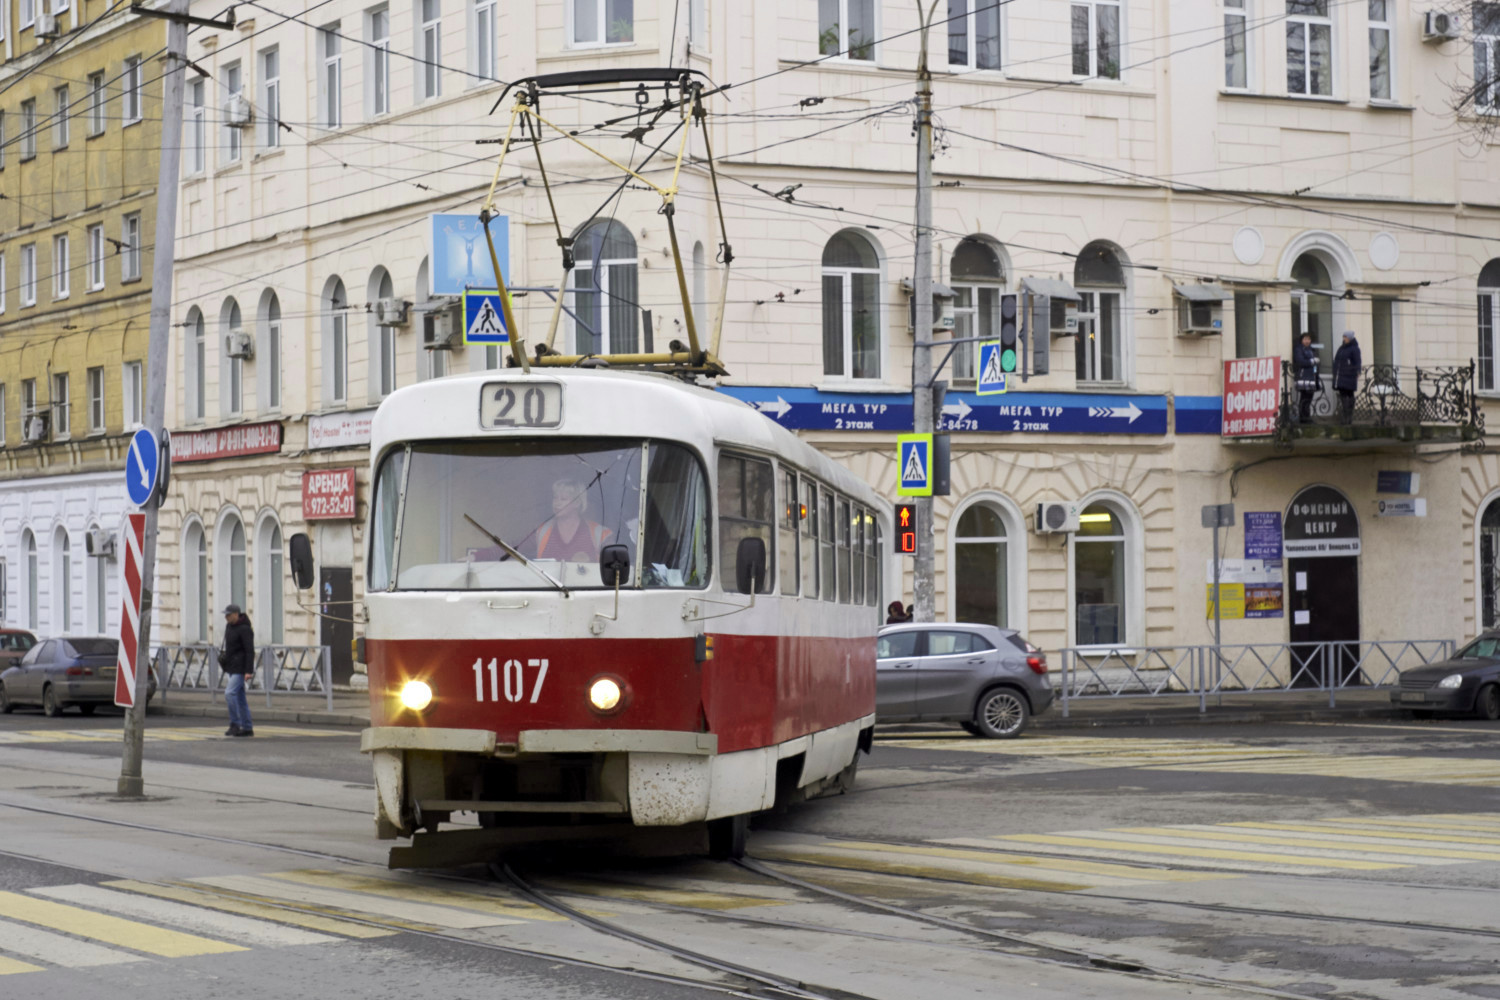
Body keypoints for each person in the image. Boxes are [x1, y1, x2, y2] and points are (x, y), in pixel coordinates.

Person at [535, 476, 612, 562]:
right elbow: (521, 554)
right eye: (555, 497)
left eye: (563, 499)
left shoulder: (600, 534)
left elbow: (612, 565)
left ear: (577, 503)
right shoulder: (542, 530)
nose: (557, 503)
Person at [220, 604, 256, 737]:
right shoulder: (229, 626)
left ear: (236, 614)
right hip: (231, 666)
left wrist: (248, 671)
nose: (226, 617)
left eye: (228, 615)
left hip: (241, 668)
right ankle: (247, 728)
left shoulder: (245, 629)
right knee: (240, 698)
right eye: (225, 615)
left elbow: (249, 651)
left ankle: (235, 724)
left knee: (229, 693)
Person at [1333, 330, 1362, 425]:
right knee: (1343, 395)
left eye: (1345, 337)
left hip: (1349, 375)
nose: (1344, 339)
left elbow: (1357, 361)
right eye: (1344, 337)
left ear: (1349, 338)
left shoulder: (1354, 348)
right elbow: (1337, 360)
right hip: (1341, 375)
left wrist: (1358, 371)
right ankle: (1345, 416)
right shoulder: (1341, 348)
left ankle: (1348, 417)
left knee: (1349, 395)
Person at [1293, 332, 1319, 423]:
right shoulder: (1299, 349)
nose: (1307, 341)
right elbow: (1300, 361)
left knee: (1309, 397)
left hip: (1311, 377)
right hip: (1303, 377)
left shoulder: (1312, 350)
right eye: (1305, 339)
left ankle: (1307, 416)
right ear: (1301, 340)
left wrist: (1316, 373)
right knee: (1304, 398)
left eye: (1308, 339)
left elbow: (1315, 364)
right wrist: (1312, 361)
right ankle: (1303, 417)